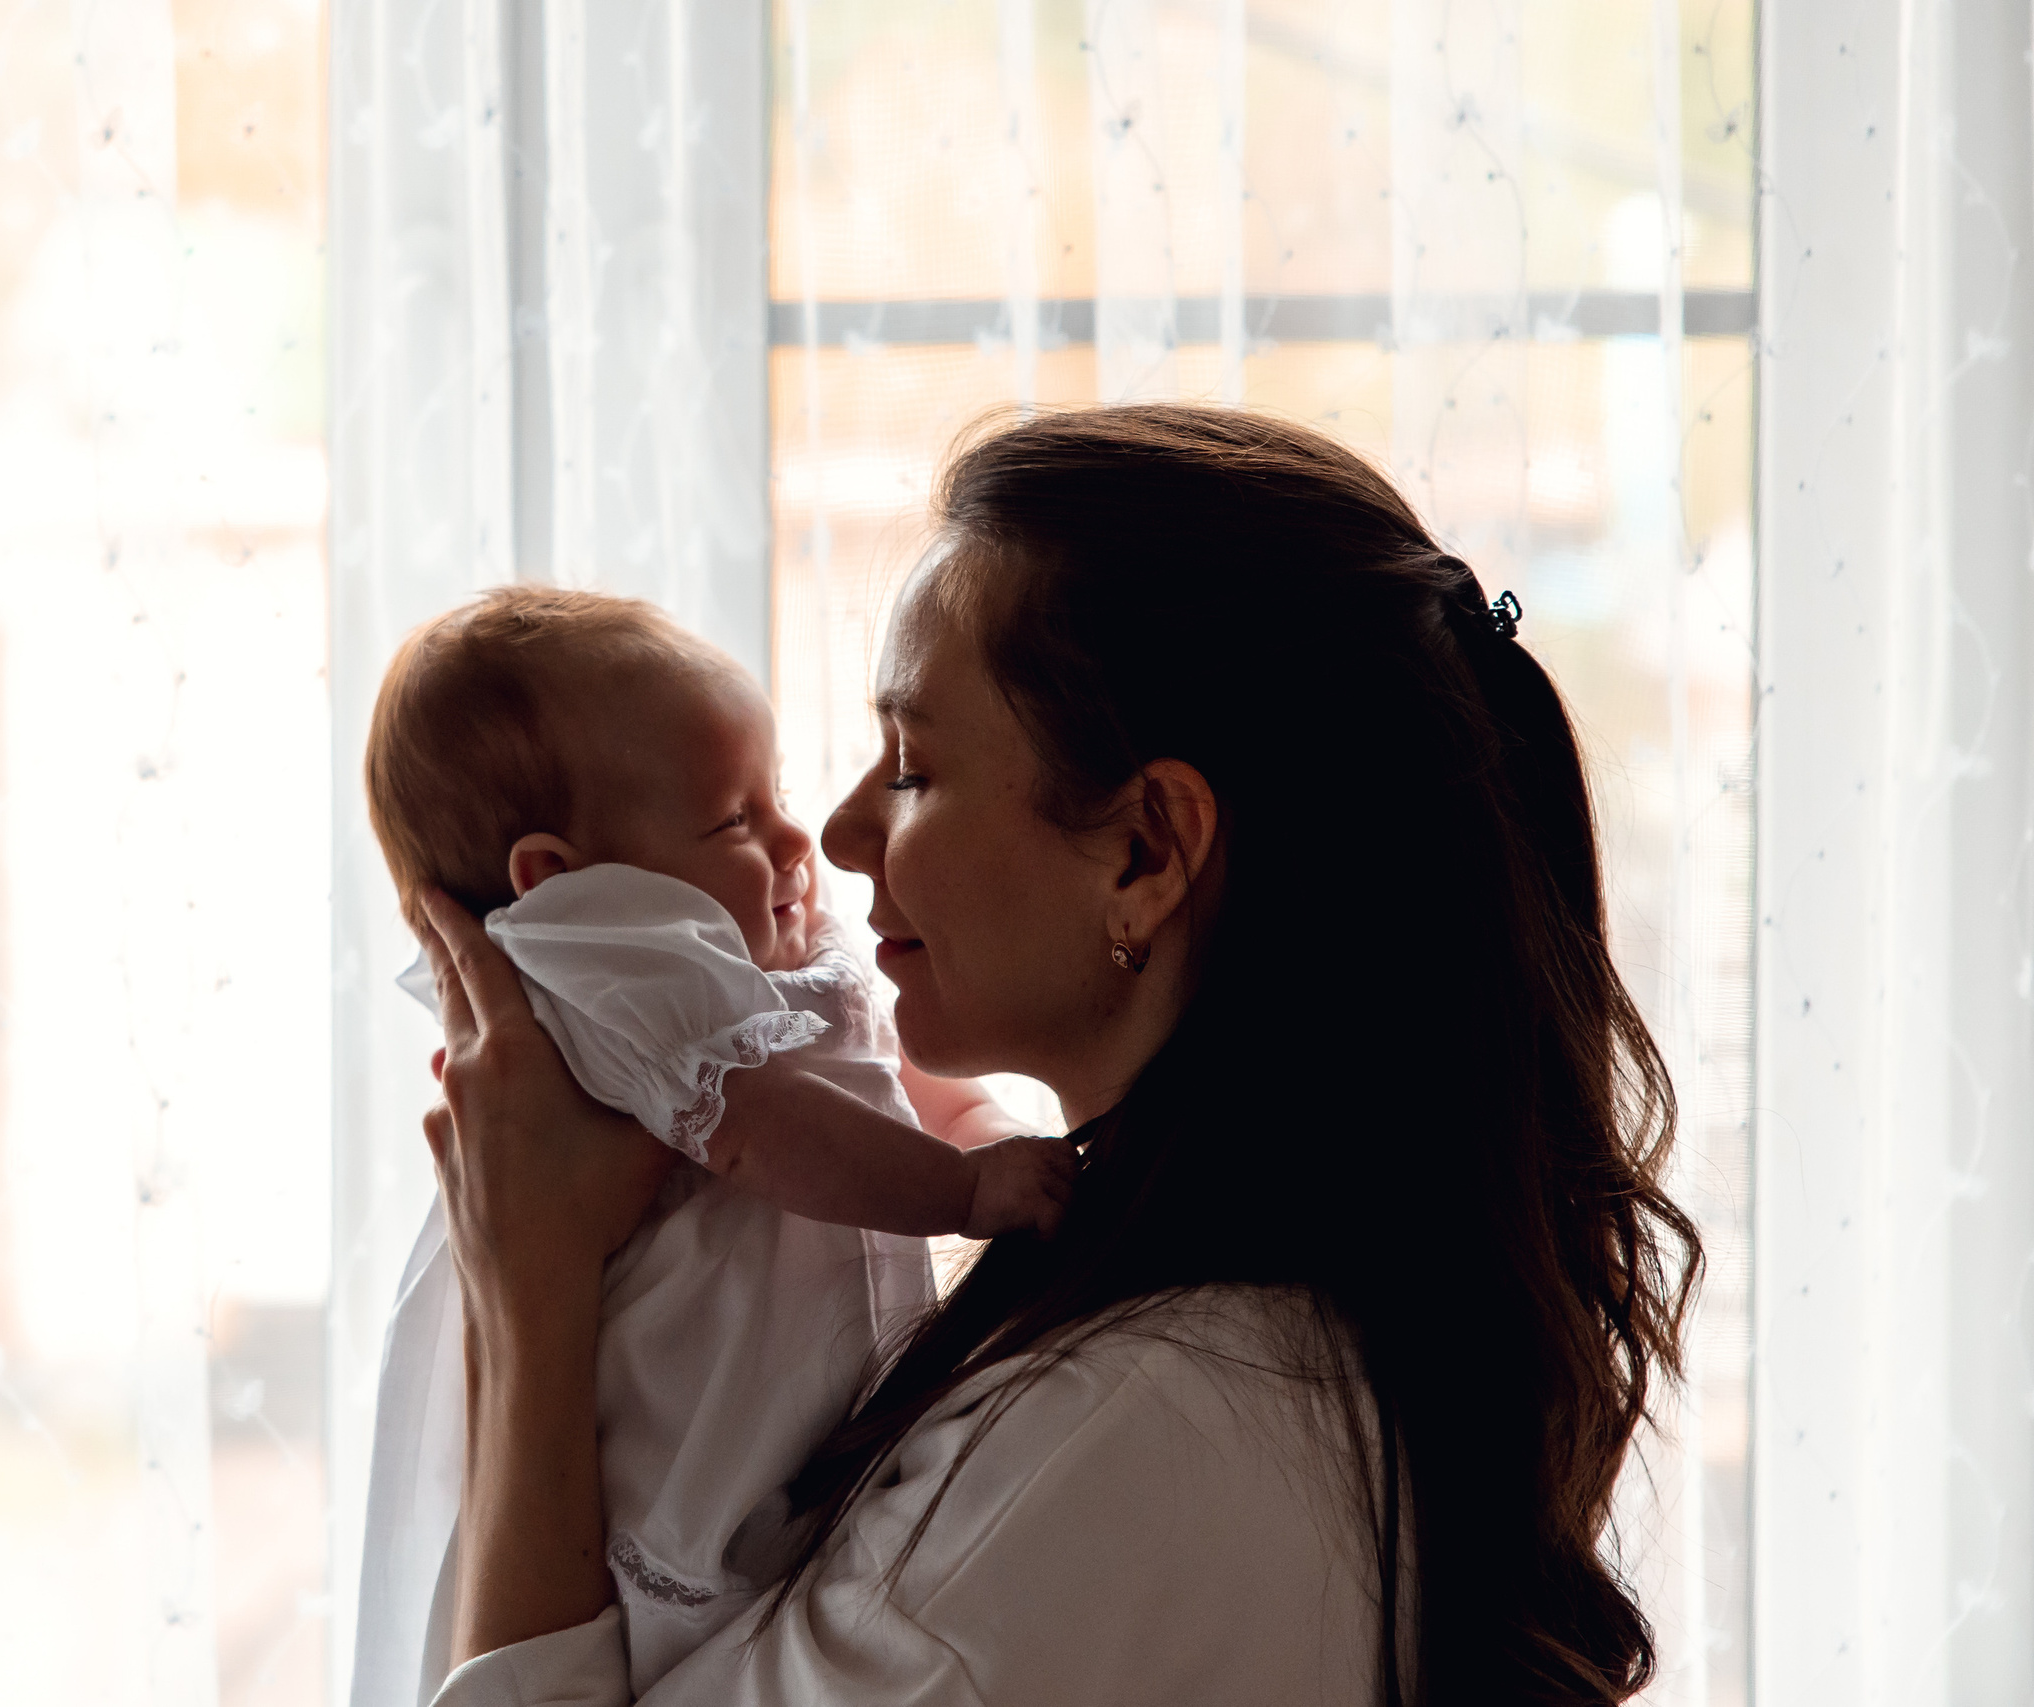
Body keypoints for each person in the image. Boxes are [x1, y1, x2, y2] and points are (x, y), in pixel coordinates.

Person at [402, 404, 1701, 1706]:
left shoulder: (1130, 1437)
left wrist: (533, 1297)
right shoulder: (1240, 1342)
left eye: (911, 763)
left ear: (1143, 851)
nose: (844, 831)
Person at [352, 586, 1079, 1703]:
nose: (805, 838)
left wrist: (976, 1126)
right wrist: (970, 1187)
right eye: (736, 820)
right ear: (563, 883)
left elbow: (865, 1075)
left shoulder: (720, 974)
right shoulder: (613, 964)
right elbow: (764, 1129)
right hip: (674, 1458)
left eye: (770, 794)